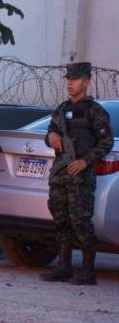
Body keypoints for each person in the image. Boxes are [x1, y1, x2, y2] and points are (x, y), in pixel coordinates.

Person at [40, 62, 113, 285]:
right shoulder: (61, 110)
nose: (70, 82)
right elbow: (50, 133)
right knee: (60, 220)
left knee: (81, 222)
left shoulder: (94, 111)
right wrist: (50, 138)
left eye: (75, 79)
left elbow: (106, 142)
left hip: (80, 176)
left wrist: (85, 161)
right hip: (60, 174)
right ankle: (64, 267)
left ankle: (88, 270)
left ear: (86, 82)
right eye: (68, 79)